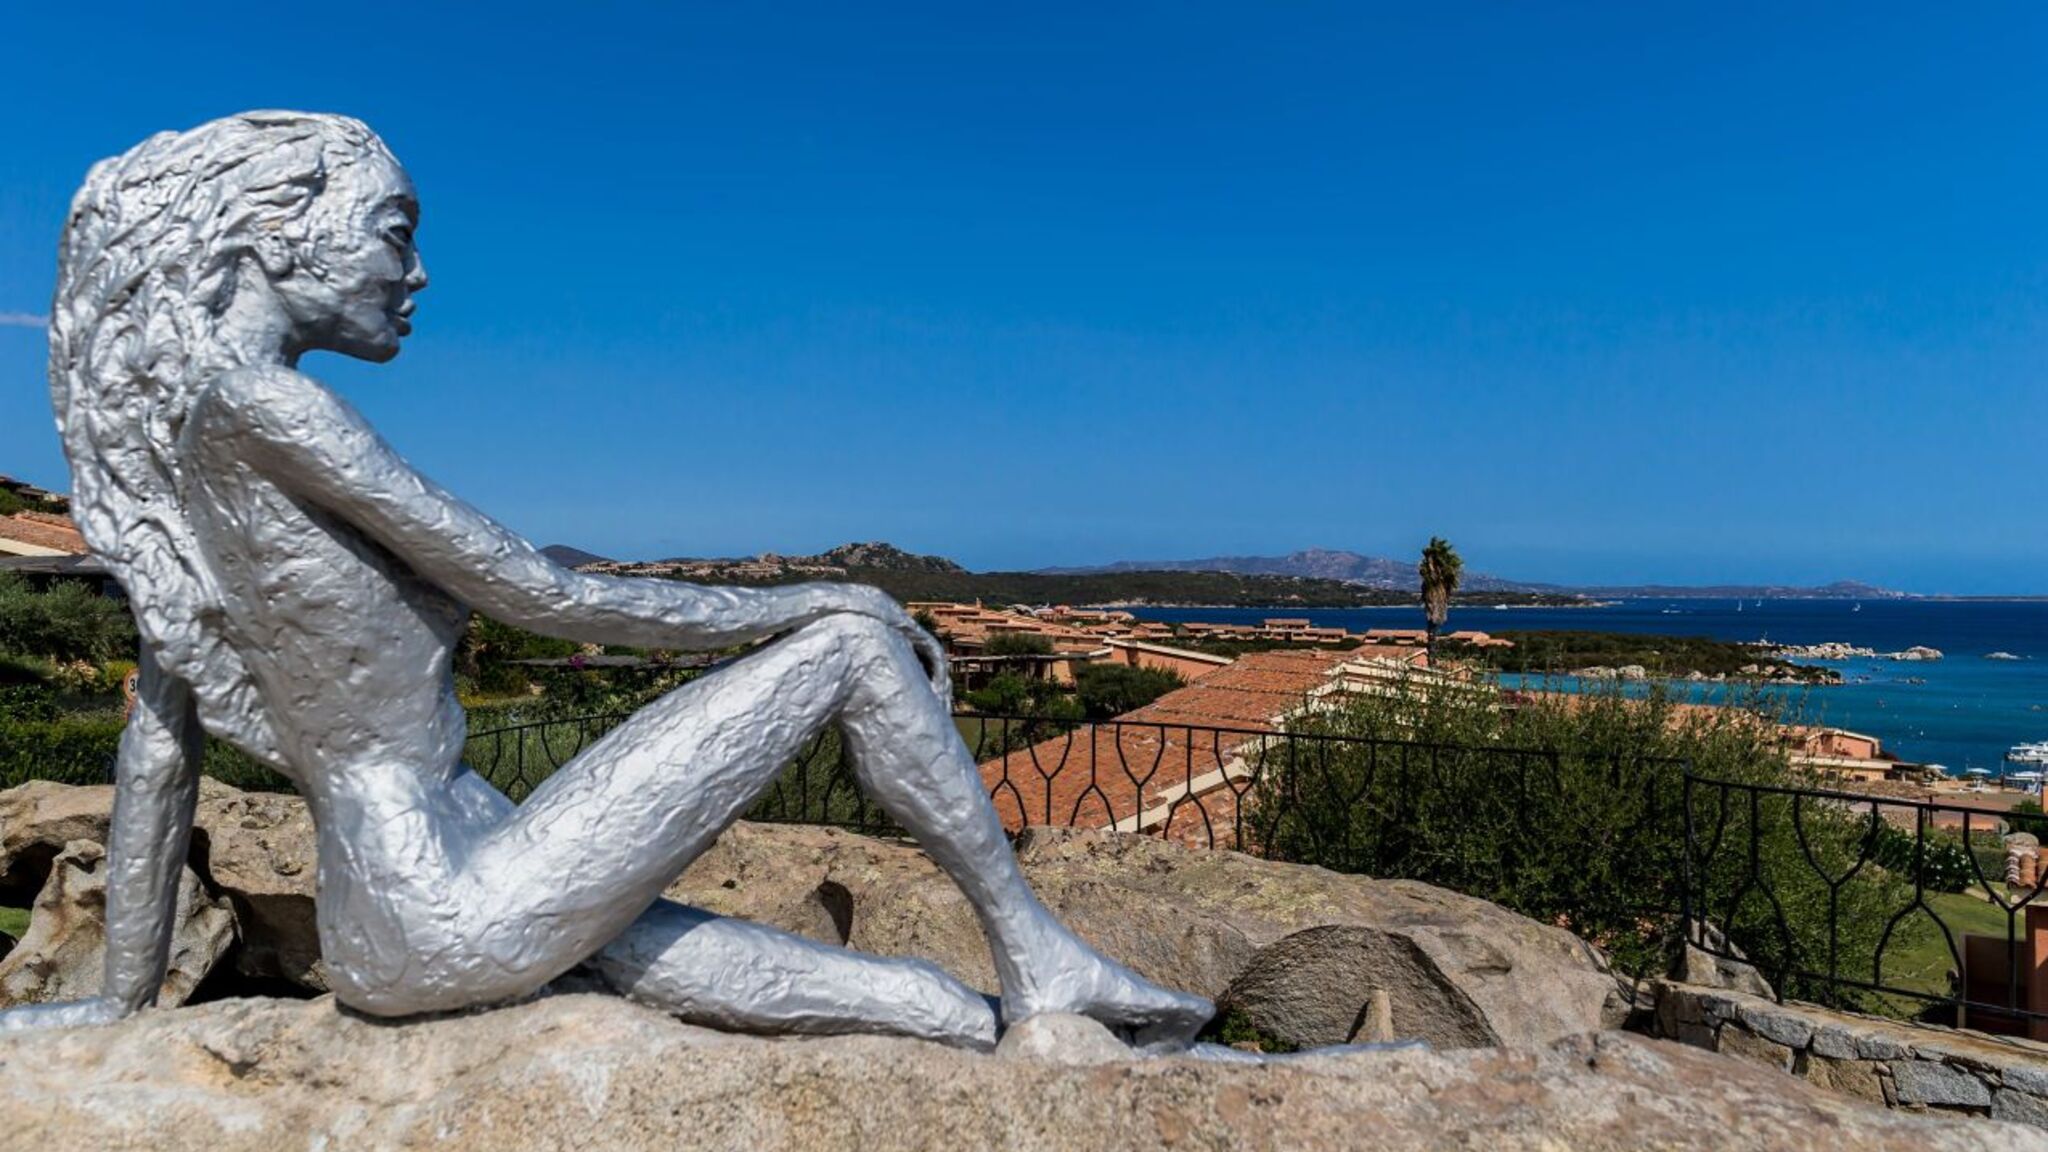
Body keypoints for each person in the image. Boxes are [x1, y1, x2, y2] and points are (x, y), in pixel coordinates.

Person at [0, 111, 1209, 1049]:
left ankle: (1038, 1022)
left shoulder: (183, 469)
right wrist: (814, 597)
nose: (416, 272)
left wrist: (122, 1000)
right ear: (275, 236)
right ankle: (1038, 952)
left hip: (447, 905)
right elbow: (545, 596)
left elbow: (157, 749)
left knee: (914, 1005)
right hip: (458, 907)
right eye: (394, 230)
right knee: (849, 653)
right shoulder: (267, 408)